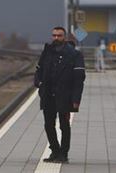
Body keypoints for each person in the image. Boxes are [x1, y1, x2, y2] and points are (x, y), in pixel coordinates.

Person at [34, 26, 86, 164]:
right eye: (54, 35)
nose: (56, 38)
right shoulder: (47, 52)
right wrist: (38, 83)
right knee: (48, 125)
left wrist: (76, 99)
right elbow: (39, 69)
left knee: (64, 125)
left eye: (59, 35)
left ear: (65, 37)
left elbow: (79, 79)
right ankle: (55, 151)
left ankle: (63, 154)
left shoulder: (74, 55)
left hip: (65, 95)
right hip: (48, 94)